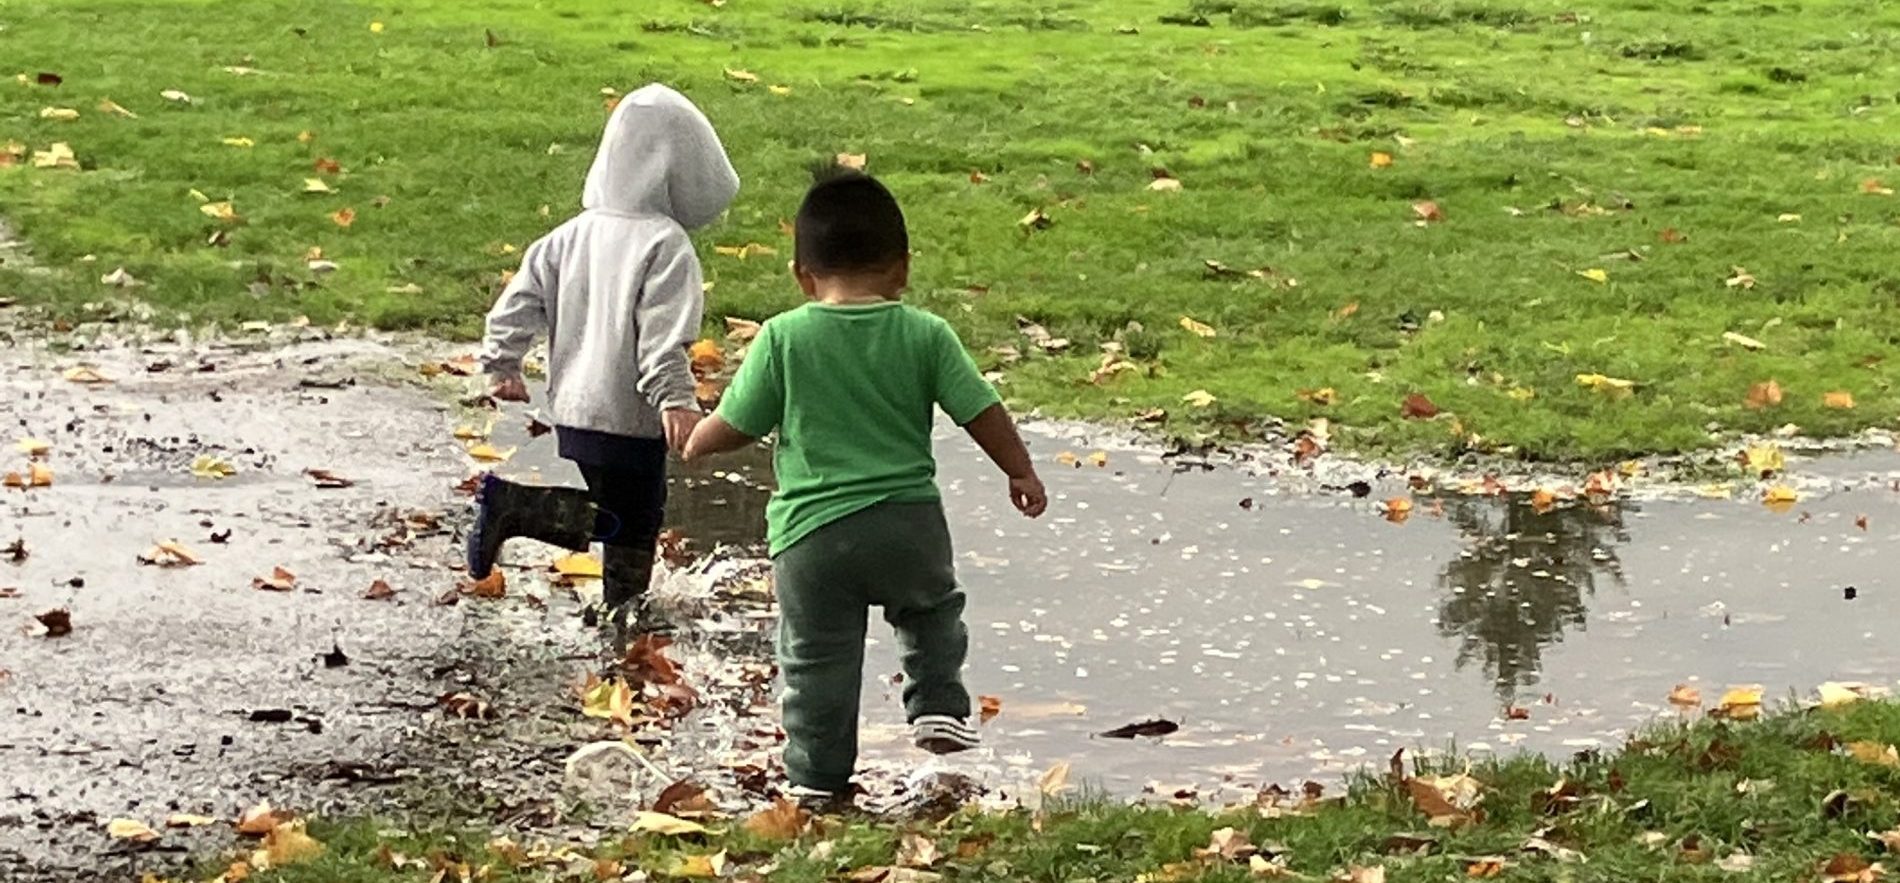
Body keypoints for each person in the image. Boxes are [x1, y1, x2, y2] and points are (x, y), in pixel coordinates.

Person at [682, 169, 1047, 806]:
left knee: (815, 658)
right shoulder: (926, 334)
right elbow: (980, 410)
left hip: (811, 537)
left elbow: (739, 423)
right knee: (931, 612)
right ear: (901, 269)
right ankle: (937, 705)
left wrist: (696, 440)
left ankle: (816, 777)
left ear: (802, 276)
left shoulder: (783, 338)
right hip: (907, 524)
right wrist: (1019, 469)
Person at [467, 83, 739, 647]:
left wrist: (502, 363)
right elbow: (663, 340)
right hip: (629, 415)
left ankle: (608, 599)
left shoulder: (566, 236)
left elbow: (516, 305)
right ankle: (619, 611)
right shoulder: (665, 245)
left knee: (607, 510)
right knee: (635, 519)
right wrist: (676, 400)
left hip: (572, 408)